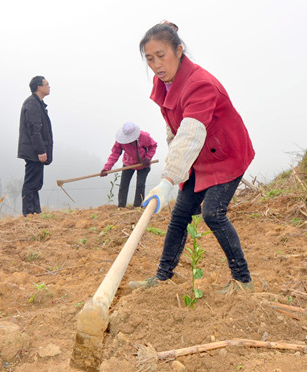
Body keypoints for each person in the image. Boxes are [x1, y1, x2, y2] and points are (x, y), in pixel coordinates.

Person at [128, 22, 255, 292]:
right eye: (150, 59)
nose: (156, 64)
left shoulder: (201, 85)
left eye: (161, 55)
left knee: (213, 213)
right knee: (180, 215)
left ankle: (243, 281)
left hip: (226, 153)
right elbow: (174, 126)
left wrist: (168, 179)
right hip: (197, 157)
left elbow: (190, 134)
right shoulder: (163, 81)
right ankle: (163, 277)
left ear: (179, 50)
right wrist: (178, 165)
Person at [17, 76, 53, 217]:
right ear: (39, 87)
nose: (49, 86)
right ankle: (28, 213)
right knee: (31, 182)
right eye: (47, 84)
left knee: (36, 181)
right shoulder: (32, 104)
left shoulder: (38, 103)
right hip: (33, 151)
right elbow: (34, 129)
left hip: (34, 150)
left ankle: (35, 211)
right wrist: (41, 150)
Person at [100, 122, 157, 207]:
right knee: (123, 185)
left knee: (140, 185)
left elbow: (153, 146)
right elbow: (115, 153)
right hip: (128, 163)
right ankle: (121, 206)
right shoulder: (120, 141)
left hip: (143, 164)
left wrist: (148, 158)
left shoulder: (144, 136)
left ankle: (138, 206)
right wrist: (107, 168)